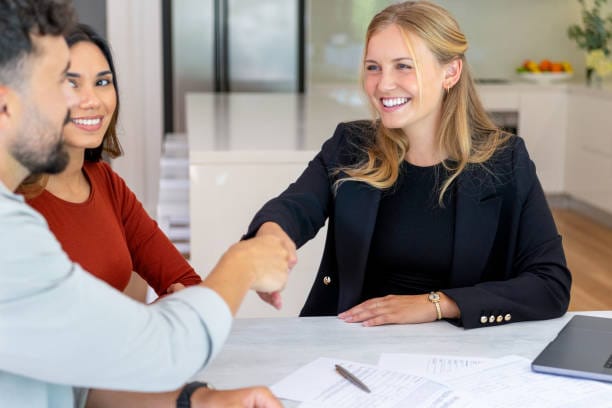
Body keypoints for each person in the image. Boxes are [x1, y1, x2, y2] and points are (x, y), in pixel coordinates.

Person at [0, 1, 292, 407]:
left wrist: (198, 400)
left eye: (101, 82)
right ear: (7, 104)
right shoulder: (10, 238)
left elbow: (78, 378)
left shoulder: (96, 186)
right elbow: (161, 350)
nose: (82, 103)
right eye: (59, 83)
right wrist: (242, 264)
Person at [245, 1, 572, 329]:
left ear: (451, 72)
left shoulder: (505, 159)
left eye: (404, 66)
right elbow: (294, 208)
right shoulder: (351, 145)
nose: (383, 84)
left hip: (461, 356)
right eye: (373, 67)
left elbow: (550, 283)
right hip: (352, 344)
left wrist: (437, 304)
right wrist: (268, 244)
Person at [18, 23, 199, 298]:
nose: (92, 100)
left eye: (102, 82)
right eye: (70, 83)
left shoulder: (105, 183)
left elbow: (187, 283)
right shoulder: (13, 199)